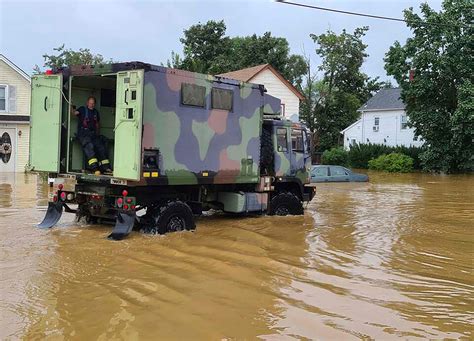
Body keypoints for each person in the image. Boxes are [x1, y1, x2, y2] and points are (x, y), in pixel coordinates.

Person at [74, 96, 112, 175]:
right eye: (90, 103)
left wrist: (97, 134)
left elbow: (97, 124)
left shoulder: (95, 112)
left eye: (93, 103)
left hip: (93, 134)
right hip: (83, 134)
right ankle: (93, 168)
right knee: (89, 146)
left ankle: (105, 167)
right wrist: (71, 106)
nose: (91, 105)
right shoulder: (82, 109)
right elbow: (74, 113)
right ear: (87, 103)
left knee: (101, 147)